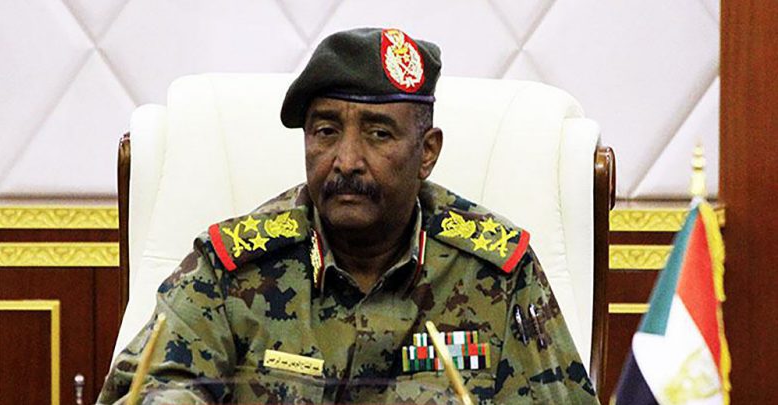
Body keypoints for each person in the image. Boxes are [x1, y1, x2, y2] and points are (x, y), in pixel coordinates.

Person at [98, 27, 598, 404]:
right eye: (326, 131)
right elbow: (154, 386)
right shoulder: (234, 270)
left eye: (379, 134)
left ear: (427, 152)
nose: (347, 160)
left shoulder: (497, 273)